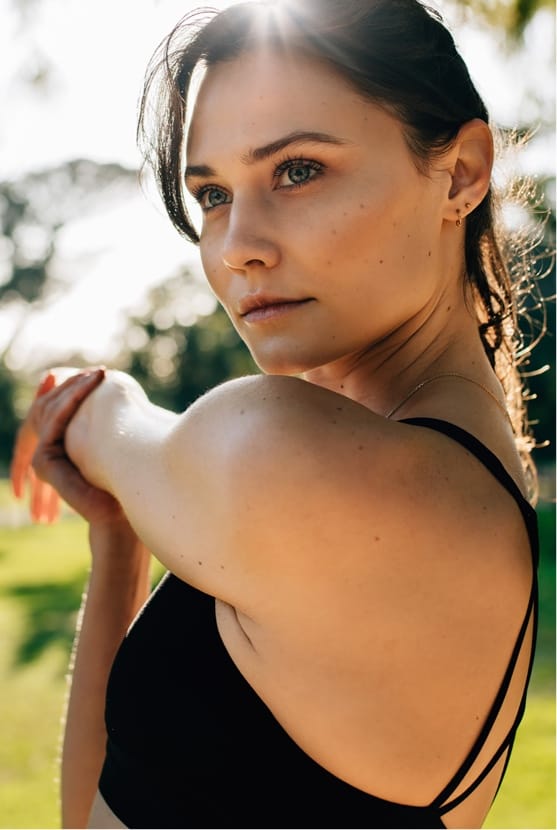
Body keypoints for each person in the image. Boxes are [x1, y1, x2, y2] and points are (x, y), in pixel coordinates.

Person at [10, 0, 542, 827]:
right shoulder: (457, 488)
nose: (236, 246)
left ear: (461, 173)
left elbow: (112, 425)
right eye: (213, 193)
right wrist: (117, 539)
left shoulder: (288, 457)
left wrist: (97, 402)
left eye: (297, 169)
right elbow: (101, 807)